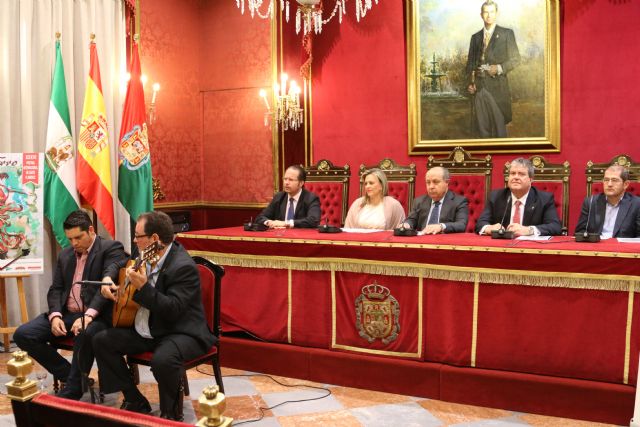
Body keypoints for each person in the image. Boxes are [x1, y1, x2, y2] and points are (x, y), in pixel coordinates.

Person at [93, 211, 215, 421]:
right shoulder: (144, 253)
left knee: (163, 360)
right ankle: (134, 399)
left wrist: (143, 289)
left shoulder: (182, 267)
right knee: (102, 340)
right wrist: (108, 278)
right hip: (147, 328)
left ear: (154, 238)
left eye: (138, 236)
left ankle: (170, 414)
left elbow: (173, 309)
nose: (134, 240)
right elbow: (120, 262)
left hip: (180, 331)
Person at [13, 210, 127, 400]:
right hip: (67, 313)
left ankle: (73, 389)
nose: (74, 243)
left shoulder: (110, 248)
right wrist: (55, 315)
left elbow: (105, 286)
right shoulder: (66, 255)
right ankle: (71, 376)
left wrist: (87, 316)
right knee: (23, 334)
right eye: (70, 239)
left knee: (84, 332)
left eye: (78, 237)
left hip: (97, 316)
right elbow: (56, 289)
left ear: (91, 230)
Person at [466, 0, 521, 138]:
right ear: (481, 15)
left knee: (499, 132)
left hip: (498, 91)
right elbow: (470, 65)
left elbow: (516, 59)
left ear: (496, 14)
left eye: (491, 12)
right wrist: (470, 84)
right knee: (482, 132)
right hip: (479, 90)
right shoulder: (475, 37)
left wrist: (500, 68)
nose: (489, 15)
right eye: (486, 12)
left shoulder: (507, 34)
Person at [476, 157, 562, 237]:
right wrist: (489, 228)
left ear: (531, 179)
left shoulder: (544, 199)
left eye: (521, 174)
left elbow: (555, 227)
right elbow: (480, 224)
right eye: (512, 173)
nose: (516, 177)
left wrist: (528, 230)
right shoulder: (495, 197)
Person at [575, 165, 640, 238]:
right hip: (596, 247)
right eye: (606, 180)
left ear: (625, 184)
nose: (609, 184)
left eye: (614, 180)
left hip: (622, 248)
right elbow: (580, 232)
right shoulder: (590, 202)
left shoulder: (637, 204)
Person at [403, 167, 469, 233]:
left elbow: (461, 225)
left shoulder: (459, 201)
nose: (431, 186)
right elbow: (411, 220)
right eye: (428, 182)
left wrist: (441, 226)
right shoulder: (419, 201)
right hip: (422, 240)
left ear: (447, 182)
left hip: (445, 241)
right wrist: (407, 224)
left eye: (435, 182)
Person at [255, 165, 321, 228]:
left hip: (300, 237)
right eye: (285, 179)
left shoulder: (311, 198)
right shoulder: (279, 197)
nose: (286, 182)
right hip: (279, 236)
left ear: (301, 183)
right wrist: (269, 222)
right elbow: (260, 217)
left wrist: (286, 223)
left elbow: (313, 220)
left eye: (291, 180)